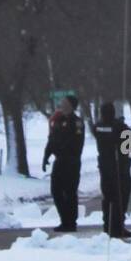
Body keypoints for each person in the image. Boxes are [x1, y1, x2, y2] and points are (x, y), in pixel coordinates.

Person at [92, 102, 131, 239]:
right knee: (121, 198)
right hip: (120, 168)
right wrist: (123, 129)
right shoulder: (120, 127)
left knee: (108, 198)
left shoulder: (97, 127)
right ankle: (118, 227)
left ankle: (108, 226)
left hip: (104, 167)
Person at [42, 95, 84, 232]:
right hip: (59, 161)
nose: (62, 105)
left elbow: (76, 143)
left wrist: (64, 151)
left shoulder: (77, 122)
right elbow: (52, 139)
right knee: (56, 191)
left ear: (71, 106)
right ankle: (64, 219)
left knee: (70, 192)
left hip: (71, 162)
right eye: (62, 102)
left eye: (65, 103)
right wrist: (46, 155)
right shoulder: (57, 120)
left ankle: (71, 222)